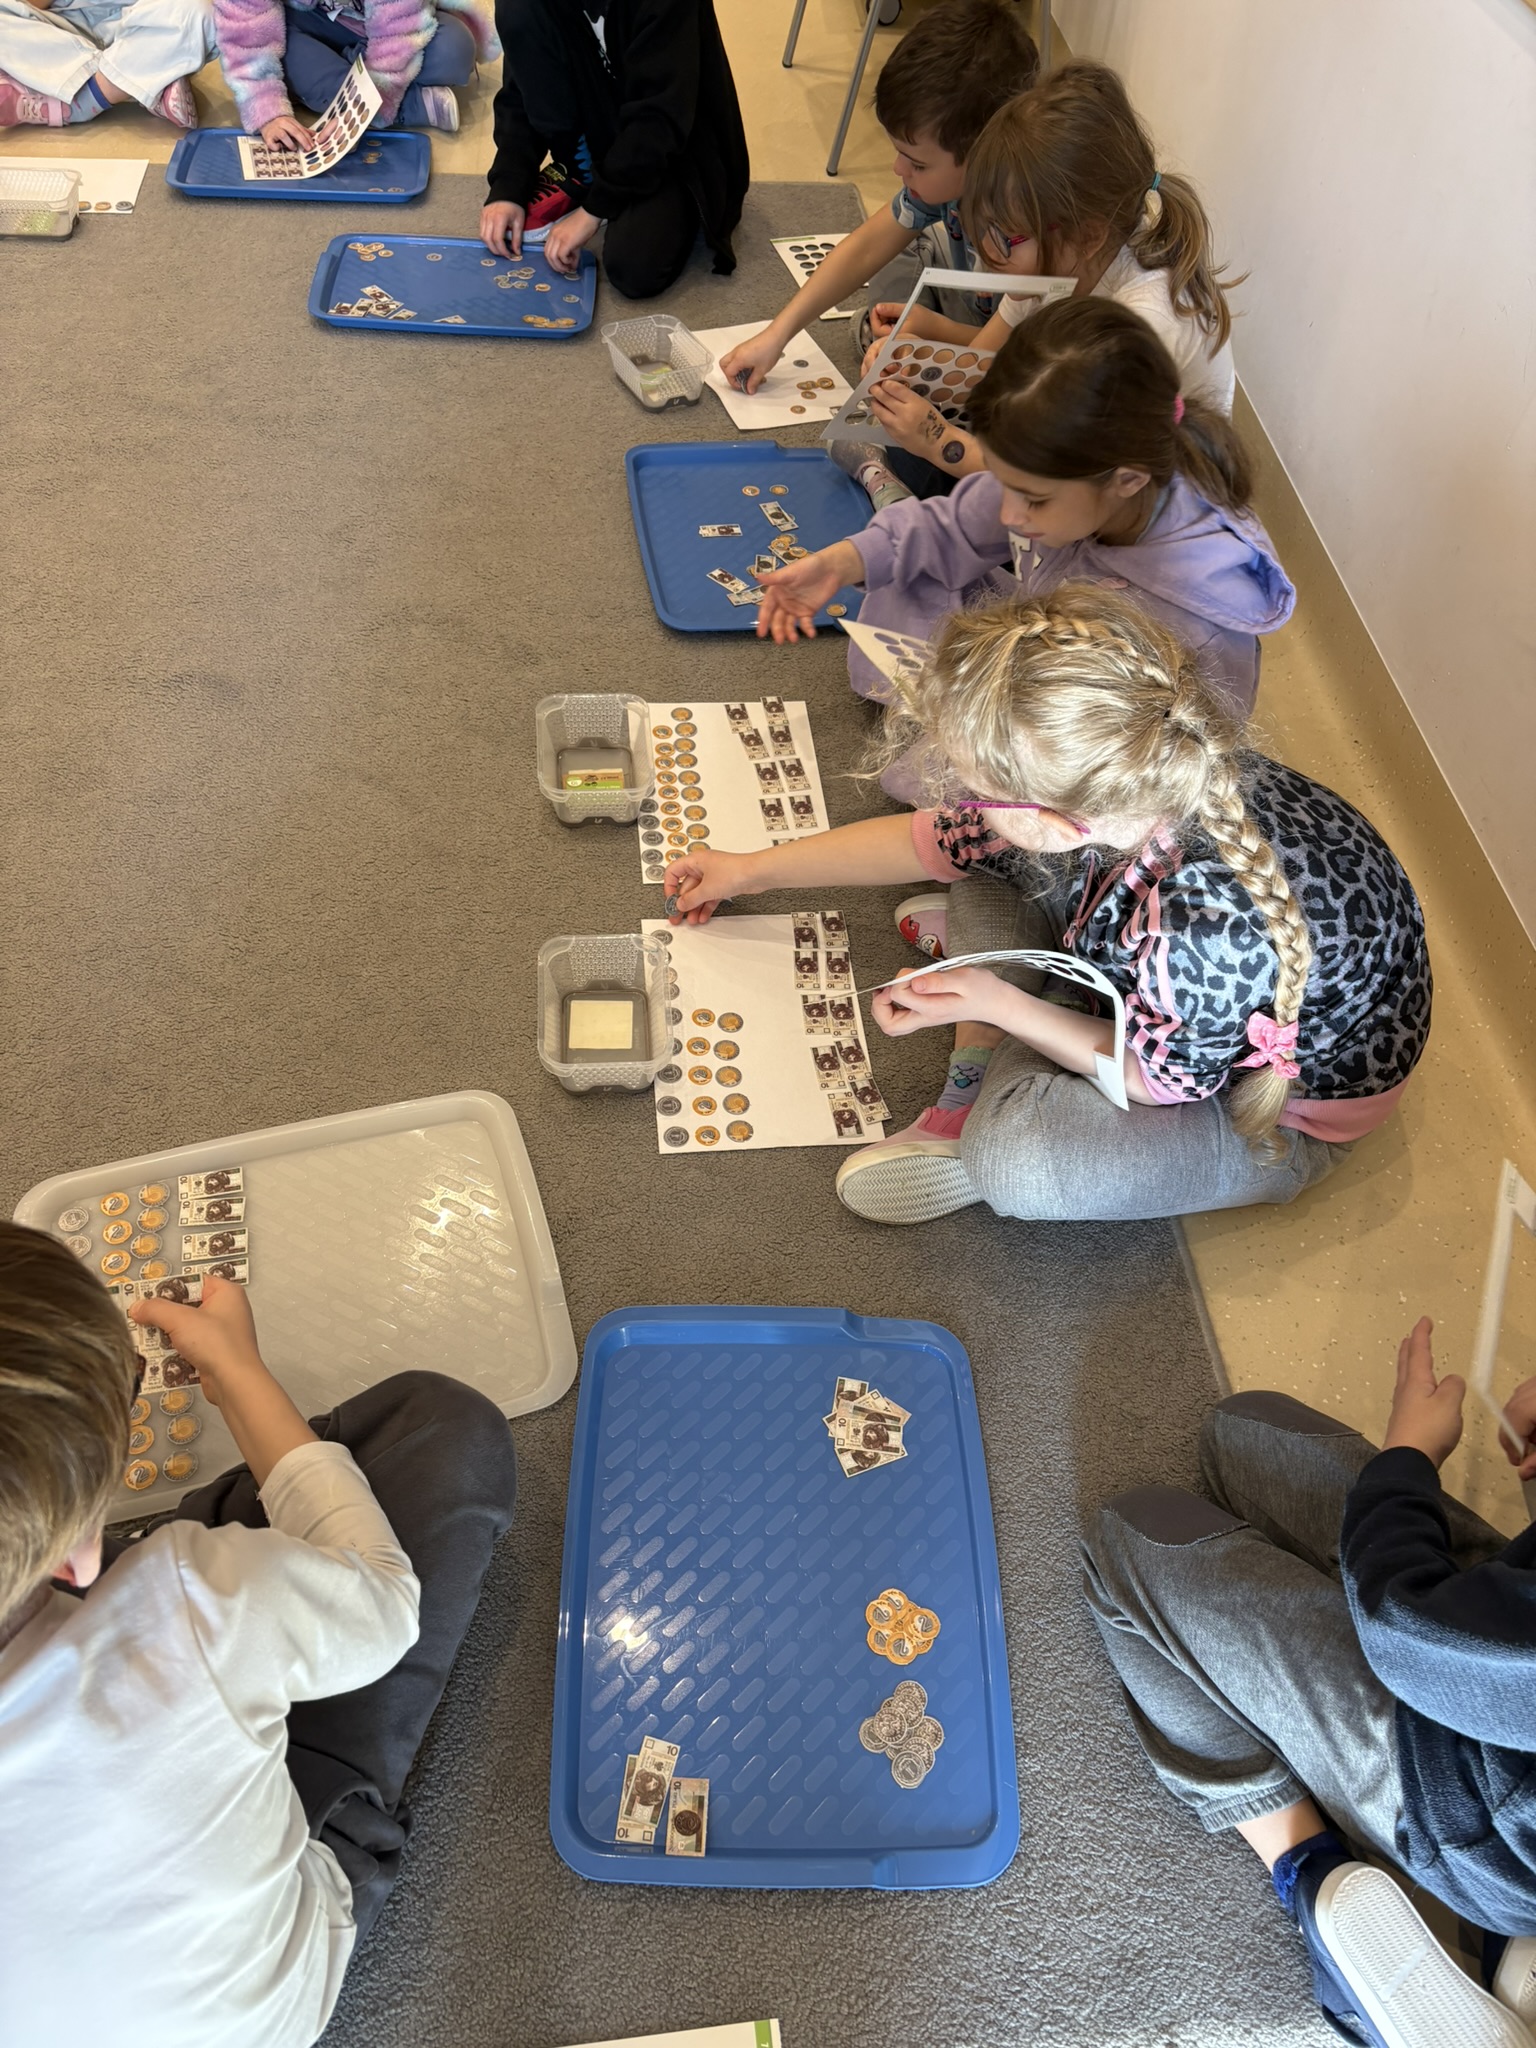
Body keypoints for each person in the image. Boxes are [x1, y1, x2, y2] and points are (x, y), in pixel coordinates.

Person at [663, 586, 1430, 1229]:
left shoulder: (1201, 936)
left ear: (1061, 822)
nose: (954, 793)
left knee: (1018, 1159)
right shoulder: (1140, 769)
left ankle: (986, 1067)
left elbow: (1155, 1080)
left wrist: (999, 1003)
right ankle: (1033, 993)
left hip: (1263, 1114)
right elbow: (928, 842)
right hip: (1156, 973)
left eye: (974, 786)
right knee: (981, 864)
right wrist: (750, 871)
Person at [0, 1224, 517, 2048]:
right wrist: (238, 1375)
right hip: (269, 1996)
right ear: (73, 1557)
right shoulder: (185, 1599)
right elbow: (383, 1605)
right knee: (443, 1429)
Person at [1082, 1318, 1536, 2048]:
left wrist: (1410, 1457)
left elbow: (1407, 1630)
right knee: (1239, 1429)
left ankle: (1305, 1866)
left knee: (1127, 1538)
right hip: (1500, 1644)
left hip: (1466, 1790)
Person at [762, 297, 1293, 730]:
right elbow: (951, 526)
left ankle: (888, 491)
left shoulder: (1192, 626)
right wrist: (840, 562)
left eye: (1033, 498)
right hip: (1044, 634)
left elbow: (1150, 765)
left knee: (965, 785)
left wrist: (998, 715)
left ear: (1126, 481)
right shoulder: (1078, 485)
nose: (1010, 513)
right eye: (1001, 478)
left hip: (1096, 741)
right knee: (909, 565)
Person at [851, 58, 1241, 502]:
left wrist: (939, 441)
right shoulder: (1059, 255)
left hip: (1134, 504)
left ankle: (894, 481)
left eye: (1003, 236)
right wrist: (917, 365)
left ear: (1087, 236)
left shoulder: (1140, 327)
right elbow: (980, 369)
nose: (987, 251)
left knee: (946, 477)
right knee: (918, 450)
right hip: (1071, 447)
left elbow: (1066, 489)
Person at [717, 0, 1038, 394]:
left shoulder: (1028, 228)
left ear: (983, 156)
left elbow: (1024, 350)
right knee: (901, 250)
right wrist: (777, 334)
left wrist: (934, 335)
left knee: (991, 388)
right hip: (974, 313)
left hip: (1014, 345)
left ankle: (907, 346)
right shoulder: (955, 183)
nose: (898, 169)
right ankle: (904, 344)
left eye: (918, 164)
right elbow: (866, 247)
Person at [480, 0, 748, 301]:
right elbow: (522, 86)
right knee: (518, 10)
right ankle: (582, 169)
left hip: (676, 146)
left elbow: (660, 119)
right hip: (604, 120)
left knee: (635, 268)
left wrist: (594, 210)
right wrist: (509, 184)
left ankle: (606, 182)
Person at [213, 0, 493, 146]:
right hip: (306, 24)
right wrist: (268, 110)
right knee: (281, 61)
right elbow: (245, 29)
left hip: (400, 25)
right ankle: (411, 106)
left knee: (454, 51)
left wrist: (368, 103)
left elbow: (400, 32)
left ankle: (344, 72)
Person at [0, 0, 210, 129]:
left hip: (139, 17)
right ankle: (145, 77)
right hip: (65, 24)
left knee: (202, 11)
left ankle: (82, 102)